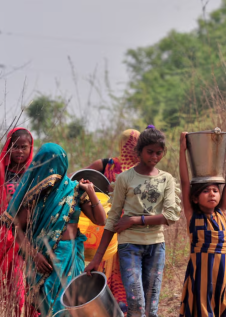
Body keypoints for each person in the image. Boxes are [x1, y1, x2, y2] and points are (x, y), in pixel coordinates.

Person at [0, 143, 106, 316]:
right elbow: (16, 229)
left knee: (73, 306)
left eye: (54, 166)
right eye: (47, 166)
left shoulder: (74, 191)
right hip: (45, 263)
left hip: (70, 258)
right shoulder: (33, 196)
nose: (50, 173)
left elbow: (101, 220)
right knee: (51, 308)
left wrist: (91, 192)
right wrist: (34, 255)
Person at [85, 125, 181, 317]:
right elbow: (112, 219)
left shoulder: (166, 179)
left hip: (156, 246)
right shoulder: (124, 178)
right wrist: (97, 258)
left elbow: (171, 216)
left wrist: (135, 220)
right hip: (129, 247)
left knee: (151, 308)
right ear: (138, 152)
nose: (154, 157)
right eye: (150, 152)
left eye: (159, 153)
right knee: (136, 304)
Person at [178, 131, 226, 317]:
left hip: (223, 276)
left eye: (214, 190)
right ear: (195, 198)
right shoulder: (192, 217)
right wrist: (182, 151)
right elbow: (185, 183)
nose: (212, 193)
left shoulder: (222, 213)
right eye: (205, 191)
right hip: (200, 278)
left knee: (222, 310)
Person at [84, 128, 140, 313]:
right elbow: (80, 179)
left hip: (132, 229)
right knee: (106, 266)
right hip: (108, 226)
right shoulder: (106, 164)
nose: (133, 149)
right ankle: (106, 307)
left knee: (128, 271)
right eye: (130, 145)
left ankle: (124, 309)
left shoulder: (144, 169)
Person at [0, 127, 34, 316]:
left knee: (29, 292)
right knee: (11, 291)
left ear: (30, 148)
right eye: (15, 147)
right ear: (8, 148)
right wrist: (6, 220)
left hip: (30, 241)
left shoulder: (35, 177)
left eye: (23, 147)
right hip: (5, 241)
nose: (19, 151)